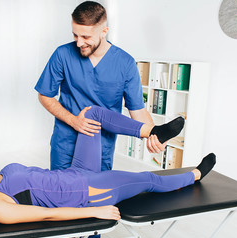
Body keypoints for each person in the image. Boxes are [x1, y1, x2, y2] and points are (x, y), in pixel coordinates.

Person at [0, 106, 216, 224]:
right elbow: (47, 216)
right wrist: (94, 211)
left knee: (90, 113)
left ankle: (152, 132)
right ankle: (194, 174)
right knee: (148, 180)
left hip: (76, 172)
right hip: (90, 191)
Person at [35, 1, 165, 172]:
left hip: (101, 148)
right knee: (61, 195)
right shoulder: (62, 54)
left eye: (86, 37)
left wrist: (154, 134)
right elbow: (45, 94)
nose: (79, 43)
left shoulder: (125, 63)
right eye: (75, 35)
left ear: (104, 31)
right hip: (65, 144)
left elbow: (137, 110)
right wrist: (73, 121)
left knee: (97, 196)